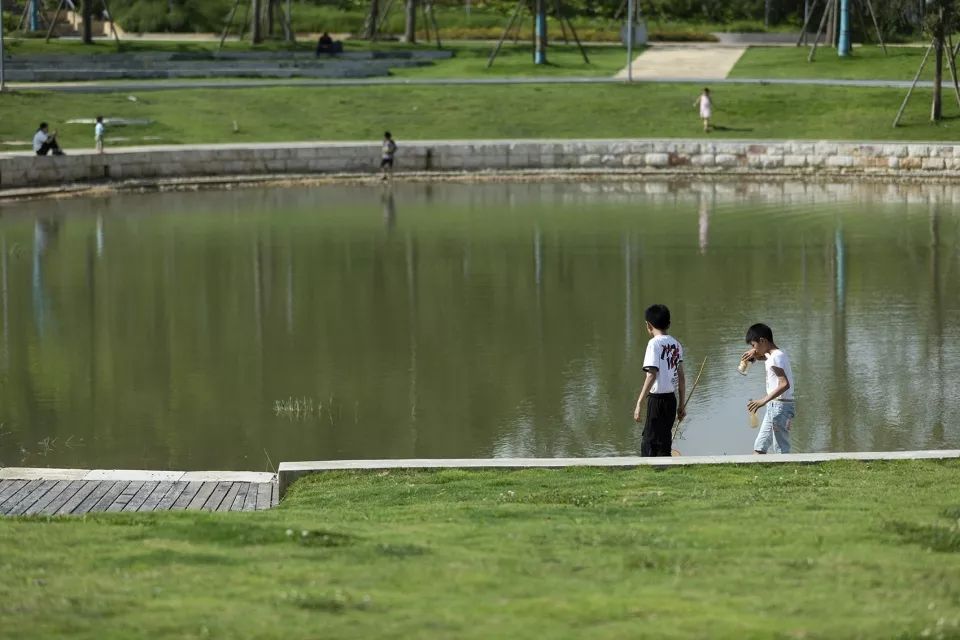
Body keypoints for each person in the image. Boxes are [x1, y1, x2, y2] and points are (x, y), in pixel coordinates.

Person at [633, 304, 686, 457]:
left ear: (648, 325)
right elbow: (681, 378)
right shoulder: (676, 344)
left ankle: (649, 468)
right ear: (668, 324)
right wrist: (681, 405)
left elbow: (651, 375)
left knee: (649, 441)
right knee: (664, 440)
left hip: (656, 400)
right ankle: (665, 467)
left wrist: (639, 403)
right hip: (671, 400)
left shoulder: (653, 344)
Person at [741, 323, 796, 454]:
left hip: (781, 407)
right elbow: (766, 357)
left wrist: (762, 401)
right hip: (775, 406)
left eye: (753, 345)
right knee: (759, 447)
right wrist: (755, 355)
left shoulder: (776, 358)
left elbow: (784, 384)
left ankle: (786, 466)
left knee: (781, 448)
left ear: (762, 341)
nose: (753, 349)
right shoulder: (775, 354)